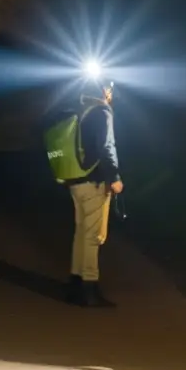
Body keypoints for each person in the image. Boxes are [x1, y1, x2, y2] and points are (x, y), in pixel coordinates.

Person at [64, 79, 123, 307]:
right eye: (109, 90)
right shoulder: (102, 111)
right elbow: (106, 146)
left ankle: (75, 285)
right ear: (105, 91)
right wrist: (114, 178)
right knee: (93, 237)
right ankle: (90, 289)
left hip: (75, 181)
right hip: (94, 181)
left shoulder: (78, 109)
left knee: (80, 233)